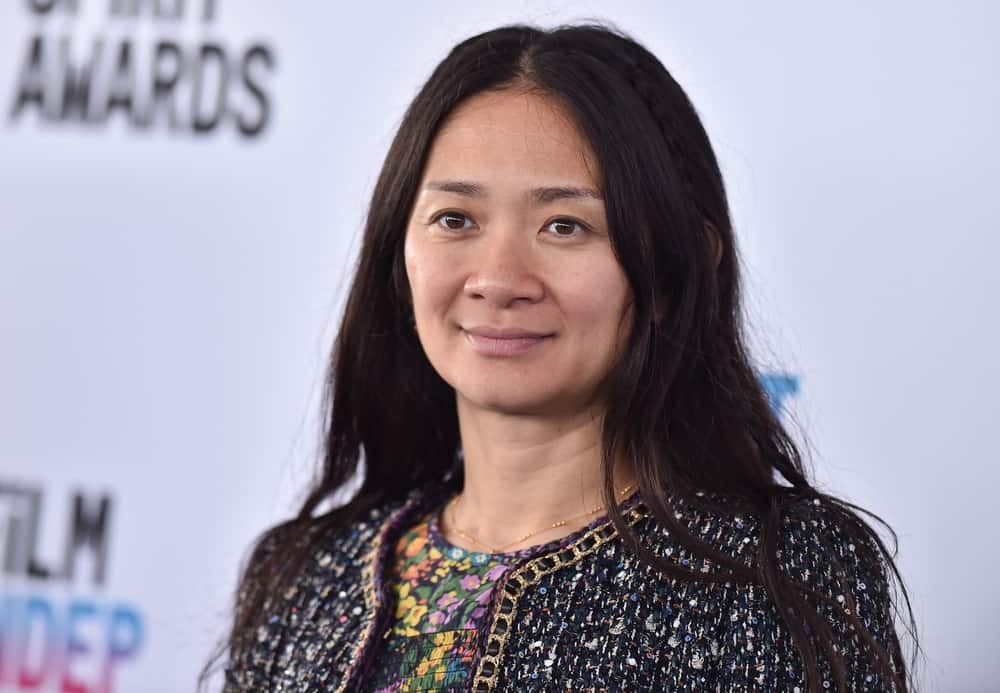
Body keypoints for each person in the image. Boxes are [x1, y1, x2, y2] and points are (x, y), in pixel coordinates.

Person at [207, 22, 916, 692]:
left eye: (564, 225)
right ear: (402, 251)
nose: (498, 279)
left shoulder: (783, 576)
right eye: (456, 219)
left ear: (675, 269)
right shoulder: (300, 576)